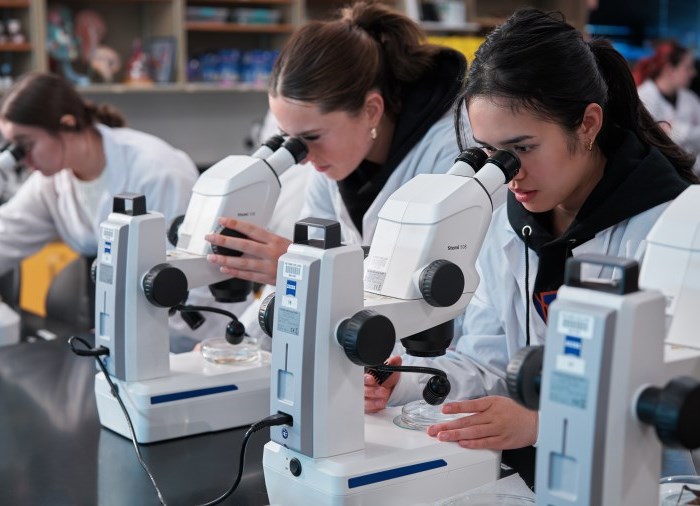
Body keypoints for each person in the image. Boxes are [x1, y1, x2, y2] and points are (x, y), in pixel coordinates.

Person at [363, 8, 699, 486]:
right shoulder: (503, 223)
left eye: (521, 148)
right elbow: (490, 363)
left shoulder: (673, 228)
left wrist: (544, 426)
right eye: (490, 153)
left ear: (587, 124)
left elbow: (674, 416)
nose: (508, 172)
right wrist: (413, 381)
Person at [205, 2, 472, 292]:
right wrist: (243, 336)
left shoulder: (452, 154)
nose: (304, 158)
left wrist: (308, 269)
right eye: (290, 139)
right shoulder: (332, 165)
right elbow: (303, 266)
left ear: (371, 110)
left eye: (313, 136)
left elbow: (433, 285)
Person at [0, 72, 198, 323]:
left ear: (68, 124)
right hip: (117, 319)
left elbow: (182, 271)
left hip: (186, 325)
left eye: (25, 145)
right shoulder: (51, 182)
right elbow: (5, 235)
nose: (22, 159)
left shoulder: (156, 170)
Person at [634, 40, 700, 175]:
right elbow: (652, 145)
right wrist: (690, 133)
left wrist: (675, 129)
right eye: (687, 68)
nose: (693, 73)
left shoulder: (690, 99)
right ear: (670, 69)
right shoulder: (644, 97)